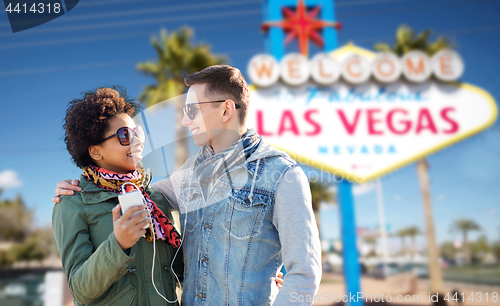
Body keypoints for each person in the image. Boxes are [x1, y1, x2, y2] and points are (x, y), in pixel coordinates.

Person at [53, 65, 321, 305]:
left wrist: (267, 286)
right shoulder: (189, 176)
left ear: (226, 110)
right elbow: (143, 196)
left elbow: (305, 273)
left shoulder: (282, 175)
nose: (184, 120)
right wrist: (76, 189)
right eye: (184, 111)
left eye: (192, 110)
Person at [52, 87, 182, 305]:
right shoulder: (72, 204)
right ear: (95, 151)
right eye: (125, 135)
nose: (138, 141)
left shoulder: (156, 199)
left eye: (138, 132)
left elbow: (179, 271)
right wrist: (119, 244)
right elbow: (79, 290)